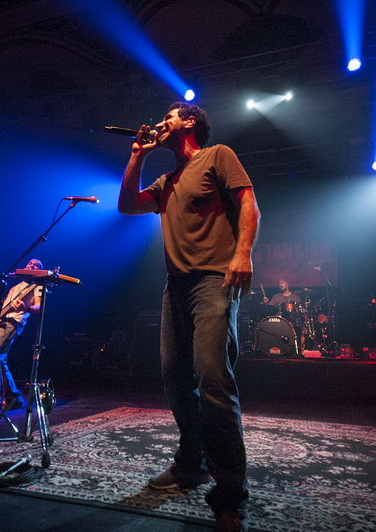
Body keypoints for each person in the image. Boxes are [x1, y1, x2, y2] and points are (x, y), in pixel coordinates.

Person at [118, 101, 260, 532]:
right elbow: (126, 206)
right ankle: (190, 465)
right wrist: (137, 156)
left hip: (215, 280)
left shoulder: (218, 156)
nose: (162, 122)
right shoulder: (166, 180)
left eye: (169, 116)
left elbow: (250, 204)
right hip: (175, 287)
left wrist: (242, 254)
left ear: (191, 121)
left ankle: (229, 494)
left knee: (212, 380)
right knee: (174, 377)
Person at [0, 258, 43, 418]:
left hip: (13, 322)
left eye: (37, 265)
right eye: (30, 263)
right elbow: (2, 308)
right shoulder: (16, 286)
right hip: (3, 320)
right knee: (0, 360)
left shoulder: (37, 285)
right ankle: (14, 397)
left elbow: (39, 306)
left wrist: (27, 307)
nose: (32, 265)